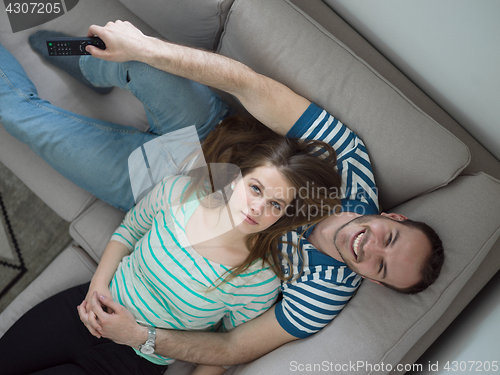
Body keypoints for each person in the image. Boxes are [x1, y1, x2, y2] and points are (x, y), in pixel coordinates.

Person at [0, 20, 444, 373]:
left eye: (381, 267)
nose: (370, 248)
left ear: (375, 282)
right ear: (394, 217)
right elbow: (252, 86)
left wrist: (142, 338)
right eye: (389, 238)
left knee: (25, 121)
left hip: (156, 189)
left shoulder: (319, 298)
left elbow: (232, 345)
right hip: (211, 134)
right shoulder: (350, 165)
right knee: (125, 56)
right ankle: (75, 57)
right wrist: (143, 47)